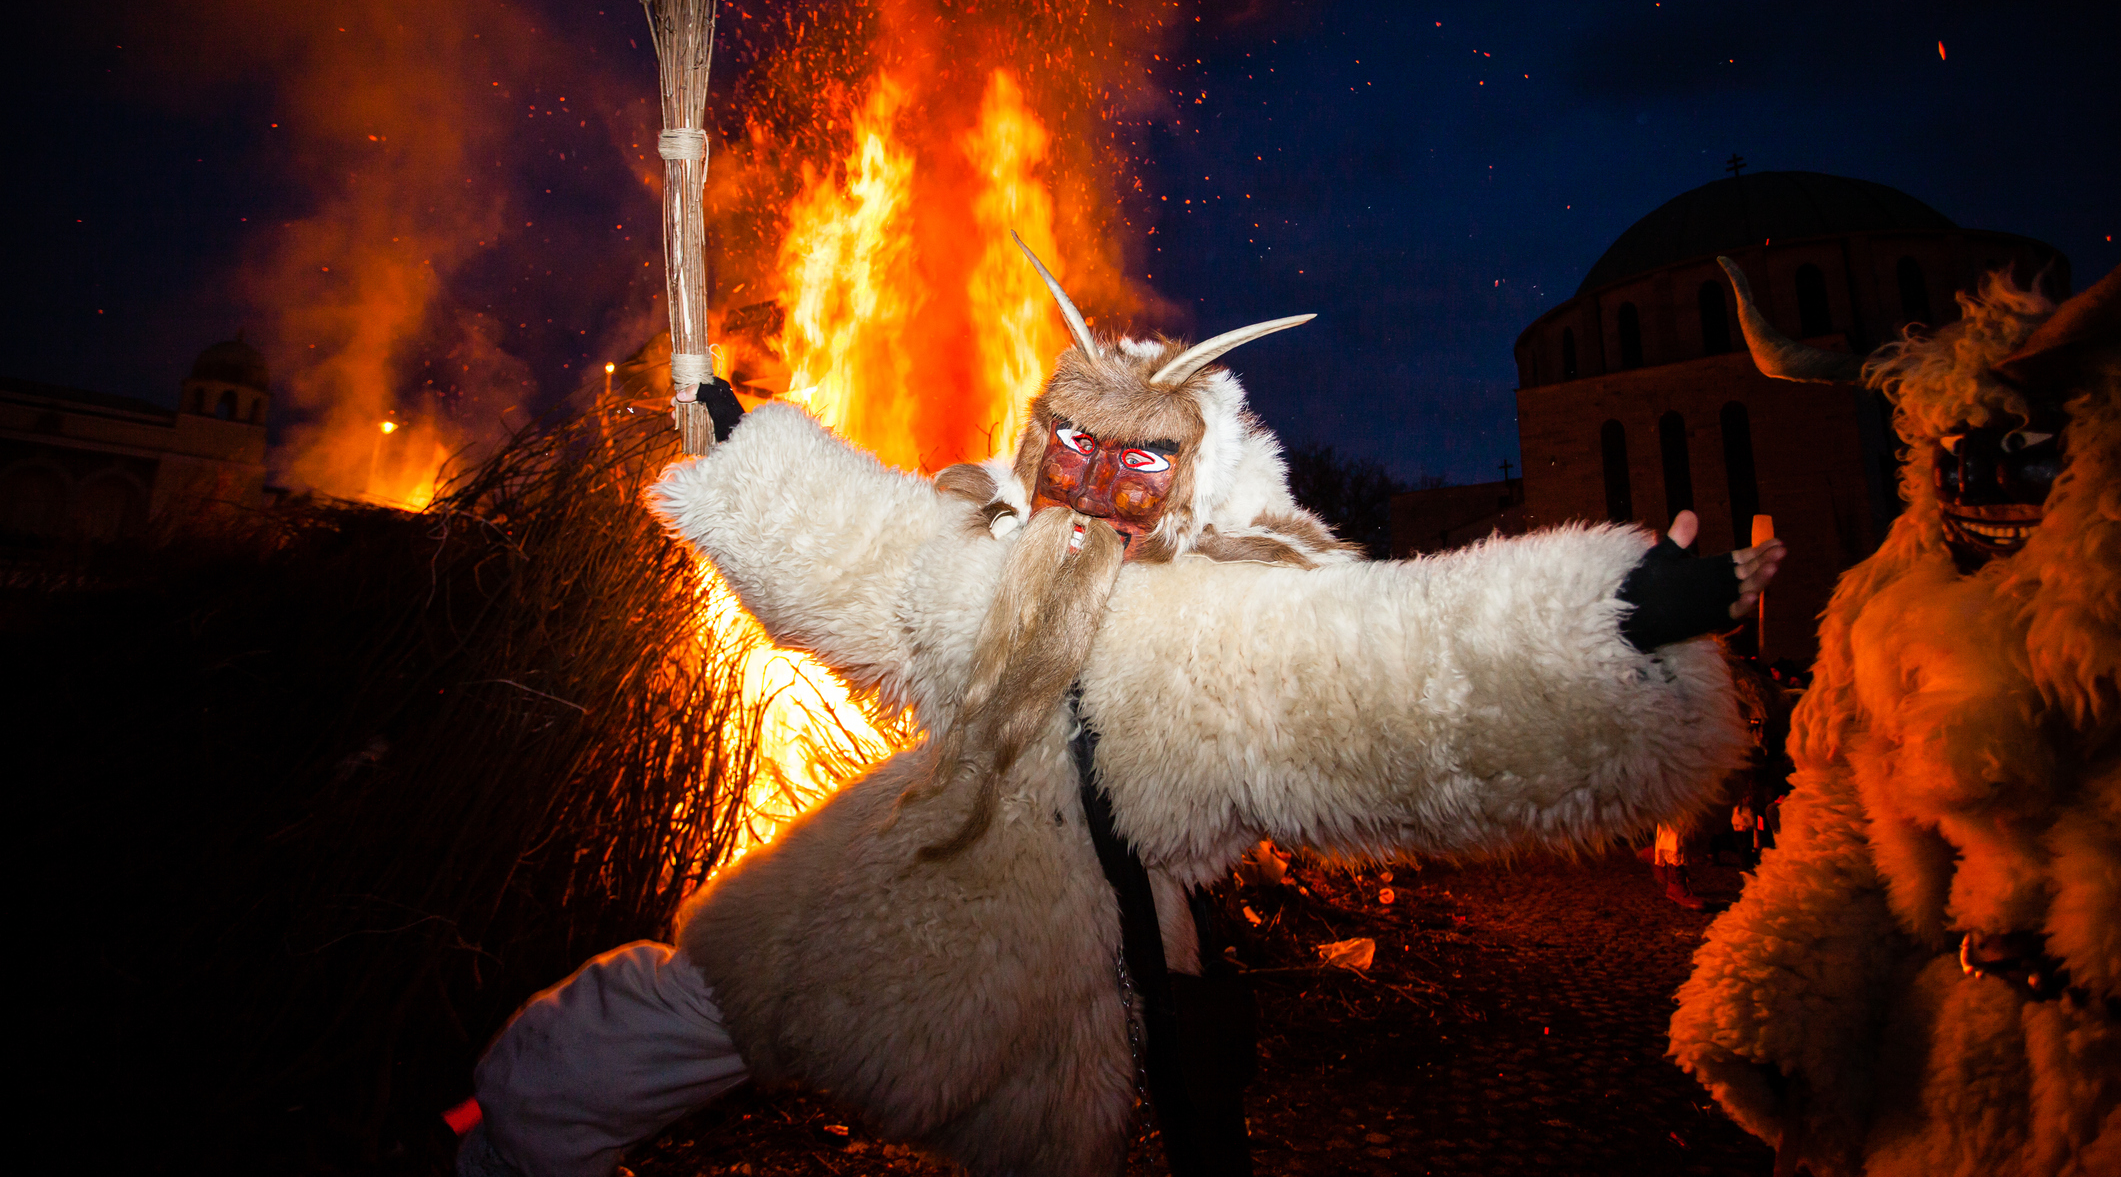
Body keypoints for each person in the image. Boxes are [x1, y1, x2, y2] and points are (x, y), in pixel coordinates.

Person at [462, 238, 1784, 1177]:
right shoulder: (993, 561)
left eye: (1137, 456)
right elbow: (861, 557)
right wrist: (739, 445)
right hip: (880, 883)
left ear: (1190, 481)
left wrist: (1612, 624)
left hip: (1039, 955)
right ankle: (510, 1142)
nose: (1095, 477)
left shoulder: (1234, 622)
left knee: (990, 1101)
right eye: (1074, 445)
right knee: (641, 1022)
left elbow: (1406, 673)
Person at [1669, 263, 2119, 1177]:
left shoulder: (2094, 630)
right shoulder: (1889, 631)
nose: (1983, 478)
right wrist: (1775, 1008)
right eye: (1954, 454)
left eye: (2021, 449)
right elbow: (1848, 839)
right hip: (1951, 1061)